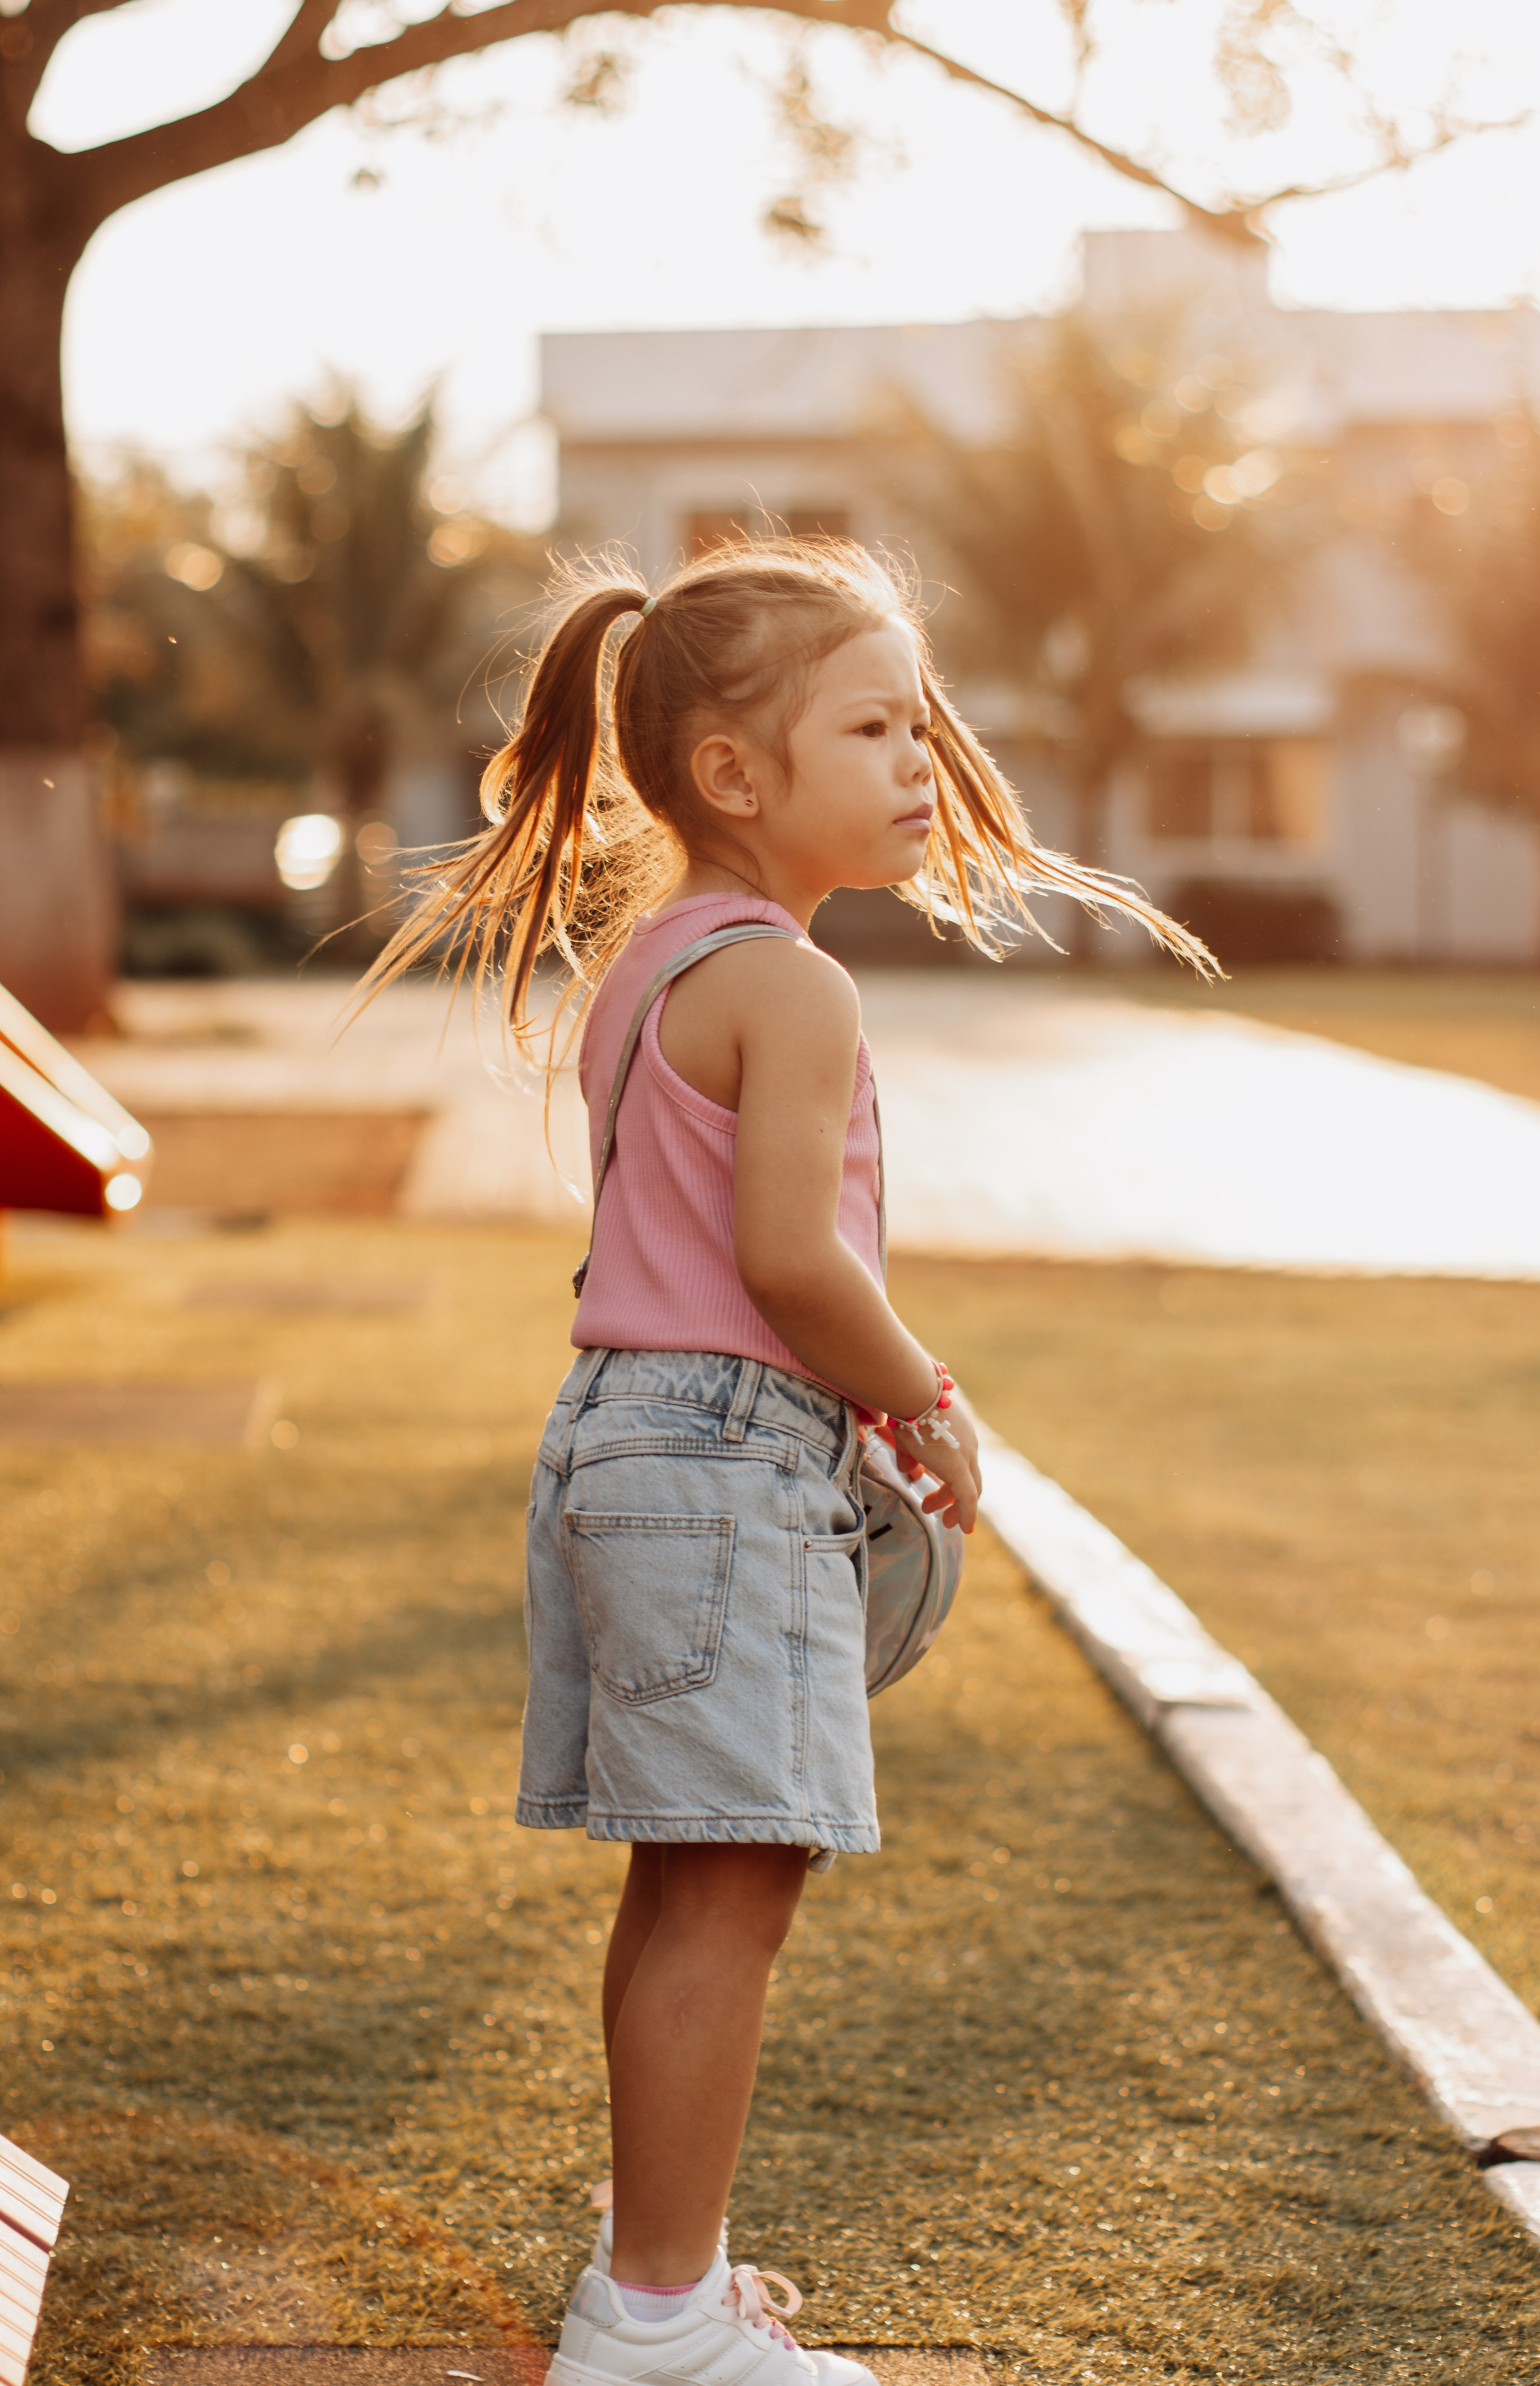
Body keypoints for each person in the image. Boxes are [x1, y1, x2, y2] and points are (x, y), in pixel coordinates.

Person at [365, 541, 1211, 2386]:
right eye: (877, 725)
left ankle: (655, 2286)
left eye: (927, 723)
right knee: (734, 1886)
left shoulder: (658, 960)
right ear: (740, 775)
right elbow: (790, 1261)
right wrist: (924, 1394)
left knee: (691, 1879)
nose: (926, 761)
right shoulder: (799, 990)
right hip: (725, 1456)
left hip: (624, 1441)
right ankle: (657, 2322)